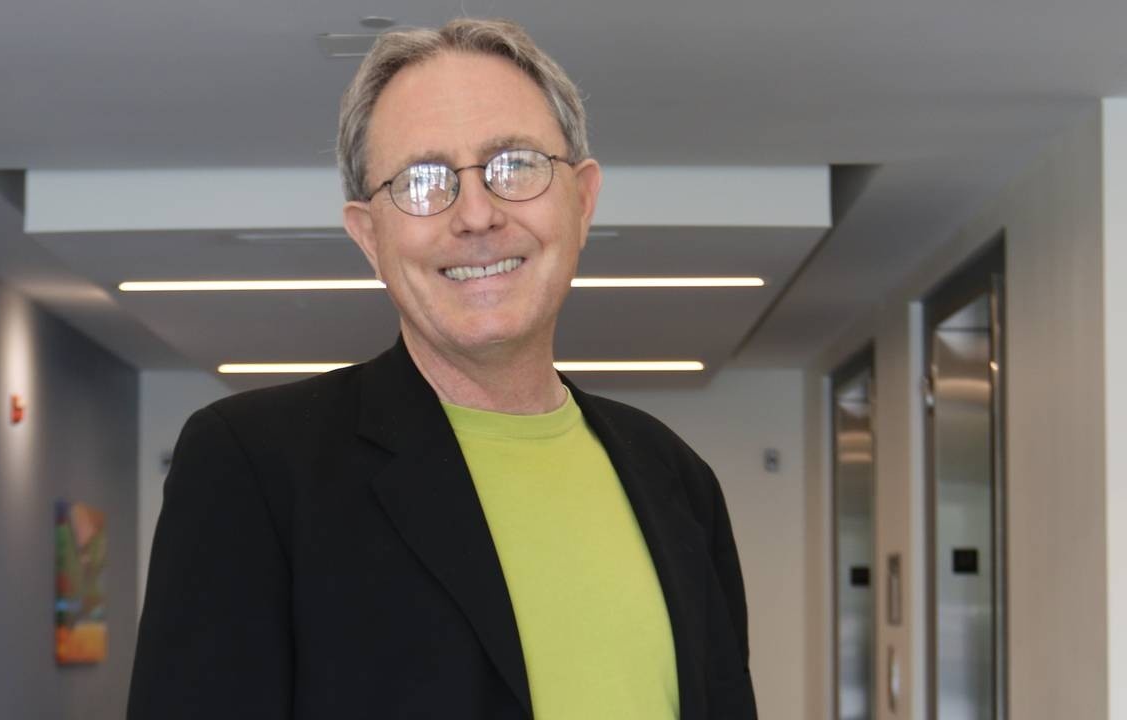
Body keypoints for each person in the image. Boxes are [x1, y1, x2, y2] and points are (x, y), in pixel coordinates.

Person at [128, 18, 756, 720]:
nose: (477, 215)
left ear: (582, 201)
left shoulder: (679, 481)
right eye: (423, 181)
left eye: (515, 164)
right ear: (369, 236)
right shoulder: (254, 468)